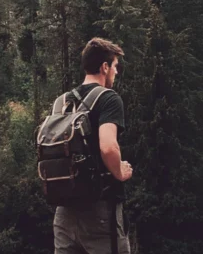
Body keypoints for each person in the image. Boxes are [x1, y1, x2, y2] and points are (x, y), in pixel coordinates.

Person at [54, 38, 132, 254]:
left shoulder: (61, 103)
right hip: (99, 210)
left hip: (64, 213)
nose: (116, 72)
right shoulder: (108, 99)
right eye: (115, 66)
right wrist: (120, 172)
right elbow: (108, 147)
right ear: (104, 67)